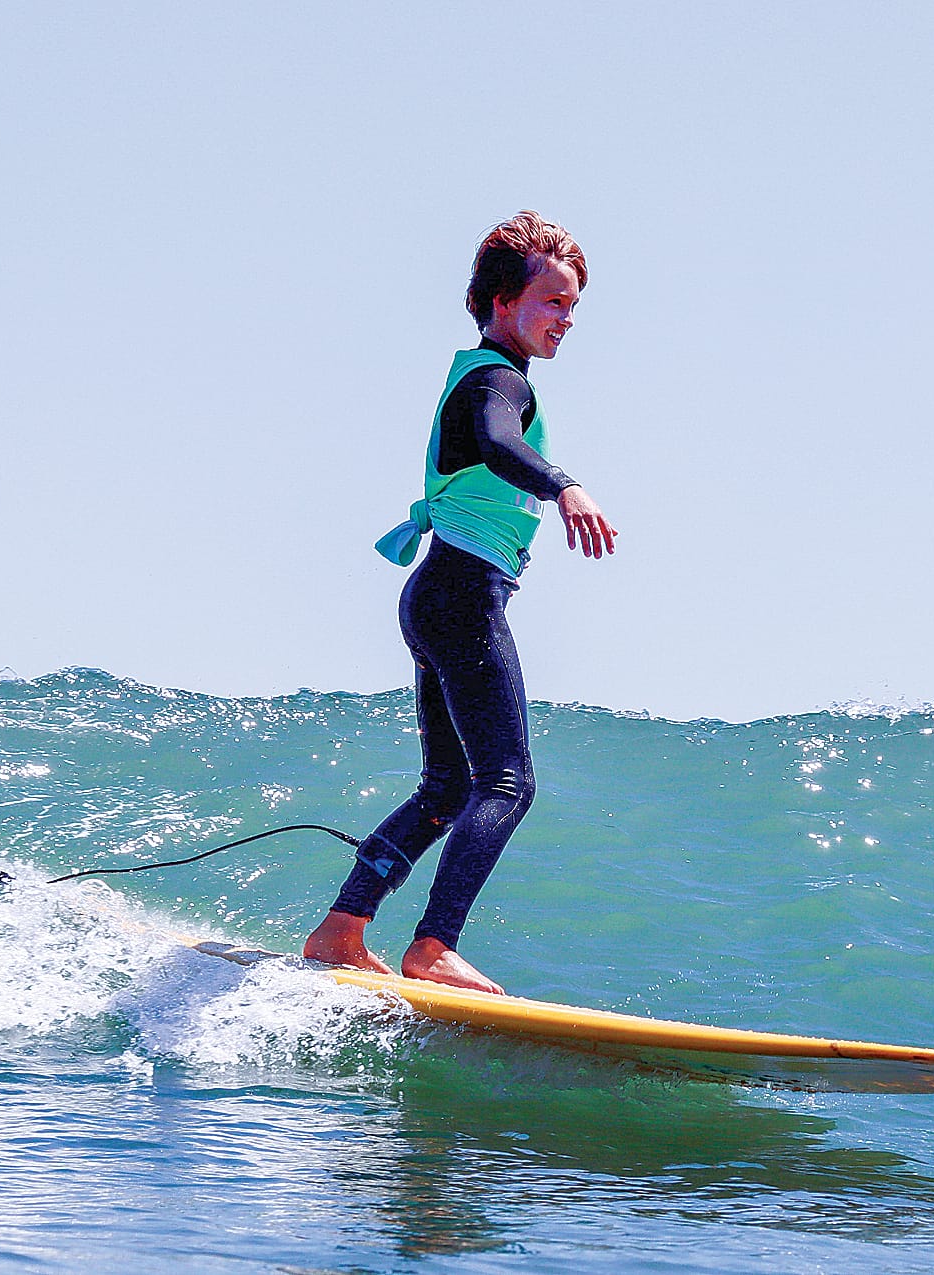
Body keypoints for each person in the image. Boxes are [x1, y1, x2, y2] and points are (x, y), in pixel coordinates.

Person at [302, 211, 617, 994]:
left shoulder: (482, 373)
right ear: (503, 301)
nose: (566, 319)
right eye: (552, 301)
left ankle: (341, 928)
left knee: (446, 788)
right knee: (507, 784)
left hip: (439, 593)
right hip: (462, 594)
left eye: (573, 306)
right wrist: (563, 485)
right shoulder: (495, 380)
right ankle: (433, 945)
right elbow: (495, 441)